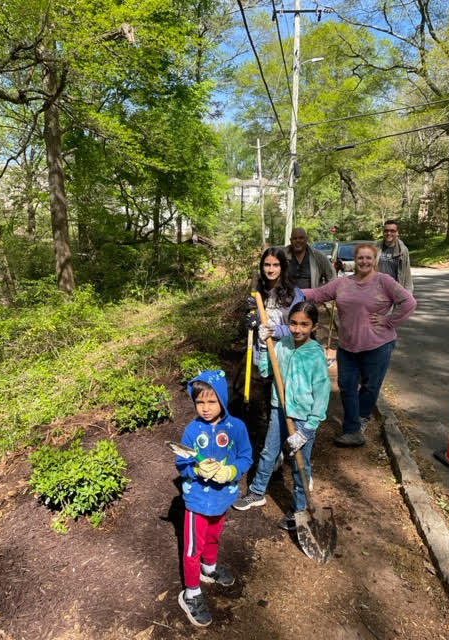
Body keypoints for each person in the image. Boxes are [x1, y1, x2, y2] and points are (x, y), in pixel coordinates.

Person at [302, 243, 417, 447]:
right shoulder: (342, 283)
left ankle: (362, 417)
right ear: (355, 260)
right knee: (346, 386)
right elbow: (317, 295)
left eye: (368, 258)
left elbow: (409, 302)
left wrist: (389, 321)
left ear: (374, 260)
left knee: (370, 386)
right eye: (360, 258)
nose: (364, 261)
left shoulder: (384, 281)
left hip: (378, 345)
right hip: (348, 346)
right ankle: (352, 430)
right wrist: (288, 291)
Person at [234, 302, 331, 531]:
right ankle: (257, 492)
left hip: (304, 418)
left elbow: (322, 393)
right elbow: (267, 372)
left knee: (300, 465)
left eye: (304, 325)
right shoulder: (282, 345)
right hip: (280, 410)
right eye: (294, 323)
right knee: (268, 452)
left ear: (314, 326)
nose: (297, 329)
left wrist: (308, 428)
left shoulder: (315, 354)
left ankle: (298, 509)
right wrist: (265, 346)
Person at [176, 369, 252, 628]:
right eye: (200, 402)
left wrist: (231, 471)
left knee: (214, 535)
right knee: (192, 547)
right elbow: (181, 462)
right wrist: (194, 469)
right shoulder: (190, 430)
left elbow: (245, 456)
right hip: (197, 500)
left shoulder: (237, 427)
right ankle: (191, 593)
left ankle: (209, 568)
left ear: (222, 398)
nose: (205, 408)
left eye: (211, 401)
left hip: (223, 496)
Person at [245, 247, 304, 363]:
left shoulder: (295, 294)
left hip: (287, 355)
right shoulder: (257, 294)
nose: (271, 270)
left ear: (282, 267)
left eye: (276, 265)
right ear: (262, 267)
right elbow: (251, 328)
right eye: (267, 265)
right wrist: (251, 320)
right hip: (263, 354)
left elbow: (300, 329)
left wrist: (273, 331)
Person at [376, 219, 413, 291]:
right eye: (386, 231)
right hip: (377, 290)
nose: (389, 233)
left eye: (392, 231)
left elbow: (407, 274)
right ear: (383, 232)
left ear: (397, 233)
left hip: (394, 291)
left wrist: (408, 294)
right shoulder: (376, 247)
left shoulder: (402, 250)